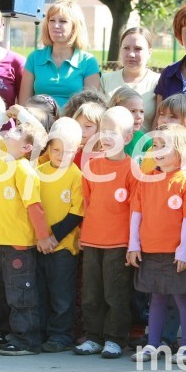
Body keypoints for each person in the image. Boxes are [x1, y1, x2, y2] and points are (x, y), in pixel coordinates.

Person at [128, 123, 186, 364]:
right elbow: (136, 214)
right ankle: (152, 345)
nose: (156, 150)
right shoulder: (146, 179)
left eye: (163, 146)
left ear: (181, 150)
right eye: (155, 145)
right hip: (150, 251)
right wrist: (133, 244)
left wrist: (184, 252)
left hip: (175, 254)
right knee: (156, 298)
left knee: (183, 297)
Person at [0, 122, 52, 355]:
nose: (12, 129)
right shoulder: (2, 163)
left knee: (20, 292)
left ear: (27, 147)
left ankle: (27, 339)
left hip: (17, 243)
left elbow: (33, 205)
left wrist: (43, 237)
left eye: (19, 131)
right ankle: (6, 332)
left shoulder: (25, 170)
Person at [75, 107, 137, 358]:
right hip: (92, 240)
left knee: (115, 292)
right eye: (103, 131)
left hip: (118, 242)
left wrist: (133, 244)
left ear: (128, 137)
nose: (107, 136)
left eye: (114, 131)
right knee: (91, 293)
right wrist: (83, 233)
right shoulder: (92, 165)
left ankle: (114, 338)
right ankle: (93, 336)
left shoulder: (133, 169)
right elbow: (87, 201)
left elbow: (135, 209)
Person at [36, 117, 85, 353]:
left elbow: (77, 212)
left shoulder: (77, 175)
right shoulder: (38, 171)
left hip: (63, 246)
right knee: (40, 290)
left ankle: (61, 335)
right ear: (48, 147)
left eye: (68, 151)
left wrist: (53, 238)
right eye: (56, 150)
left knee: (61, 294)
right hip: (38, 242)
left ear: (77, 150)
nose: (61, 155)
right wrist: (40, 236)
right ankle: (42, 332)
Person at [18, 0, 101, 108]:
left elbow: (90, 109)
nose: (55, 26)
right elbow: (24, 104)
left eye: (62, 21)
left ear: (75, 27)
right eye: (52, 20)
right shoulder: (34, 58)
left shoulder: (88, 62)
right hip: (37, 123)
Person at [100, 27, 160, 132]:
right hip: (111, 145)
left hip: (144, 146)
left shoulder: (158, 82)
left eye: (138, 49)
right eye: (126, 48)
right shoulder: (105, 80)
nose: (131, 54)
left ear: (149, 52)